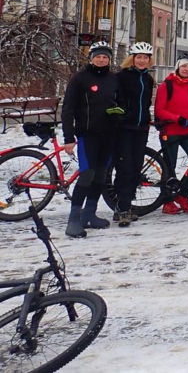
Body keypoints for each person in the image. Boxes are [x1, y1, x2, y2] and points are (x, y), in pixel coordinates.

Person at [62, 41, 122, 238]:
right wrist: (68, 137)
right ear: (91, 58)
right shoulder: (80, 79)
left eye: (105, 57)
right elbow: (68, 109)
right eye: (98, 56)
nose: (101, 59)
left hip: (109, 135)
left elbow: (118, 102)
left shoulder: (113, 79)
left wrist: (118, 113)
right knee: (87, 174)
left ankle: (90, 214)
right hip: (88, 135)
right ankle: (74, 220)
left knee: (100, 175)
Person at [155, 53, 188, 214]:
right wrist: (177, 119)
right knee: (169, 167)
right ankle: (167, 200)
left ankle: (183, 194)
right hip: (170, 131)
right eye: (184, 66)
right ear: (178, 67)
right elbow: (159, 110)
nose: (186, 69)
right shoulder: (167, 85)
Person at [112, 41, 155, 226]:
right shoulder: (122, 77)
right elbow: (115, 100)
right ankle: (121, 208)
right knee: (125, 168)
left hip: (141, 128)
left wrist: (146, 118)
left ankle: (125, 206)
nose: (142, 61)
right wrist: (123, 116)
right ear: (132, 59)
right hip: (125, 129)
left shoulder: (148, 79)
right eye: (139, 57)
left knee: (136, 168)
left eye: (145, 58)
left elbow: (145, 103)